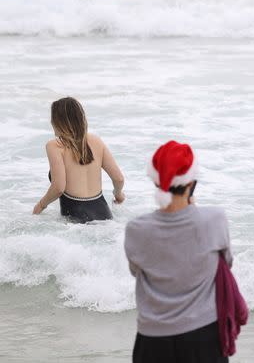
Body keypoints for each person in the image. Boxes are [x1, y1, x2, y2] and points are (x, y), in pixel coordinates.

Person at [125, 141, 233, 363]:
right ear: (191, 182)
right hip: (203, 337)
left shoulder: (137, 229)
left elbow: (136, 271)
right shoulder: (214, 220)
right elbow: (226, 263)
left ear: (156, 181)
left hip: (152, 340)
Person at [33, 97, 124, 223]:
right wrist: (118, 194)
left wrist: (40, 205)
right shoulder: (96, 141)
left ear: (58, 121)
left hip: (75, 216)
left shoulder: (55, 146)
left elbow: (58, 187)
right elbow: (118, 178)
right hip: (104, 214)